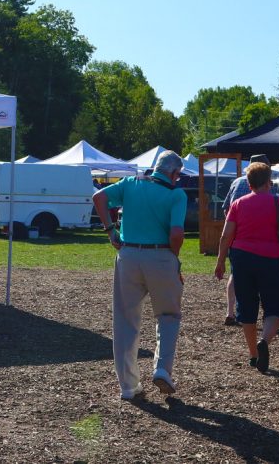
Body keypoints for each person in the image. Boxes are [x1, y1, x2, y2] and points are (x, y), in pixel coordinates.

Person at [92, 151, 187, 400]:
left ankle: (128, 386)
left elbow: (98, 197)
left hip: (128, 255)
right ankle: (162, 369)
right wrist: (175, 259)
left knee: (125, 321)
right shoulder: (176, 195)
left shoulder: (131, 183)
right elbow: (176, 233)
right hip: (162, 256)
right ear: (174, 173)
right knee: (168, 316)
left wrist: (111, 231)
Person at [214, 162, 279, 373]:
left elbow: (226, 236)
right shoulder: (277, 202)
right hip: (269, 259)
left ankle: (253, 355)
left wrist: (220, 261)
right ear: (268, 181)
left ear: (249, 183)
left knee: (246, 307)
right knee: (275, 307)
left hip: (241, 258)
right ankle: (265, 341)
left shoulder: (238, 204)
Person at [221, 154, 270, 326]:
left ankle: (230, 312)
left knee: (235, 274)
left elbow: (225, 208)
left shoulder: (236, 182)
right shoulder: (266, 185)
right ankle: (267, 313)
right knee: (263, 275)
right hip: (258, 238)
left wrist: (233, 225)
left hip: (236, 237)